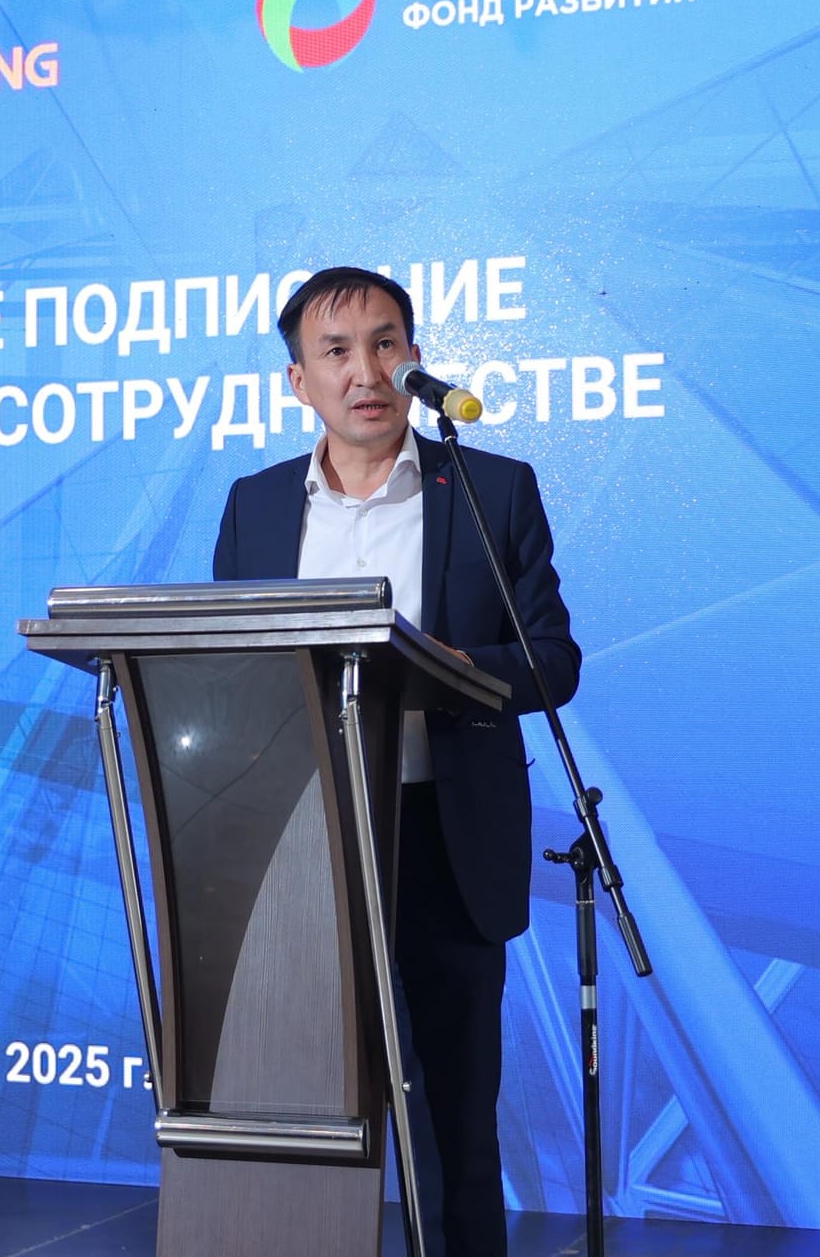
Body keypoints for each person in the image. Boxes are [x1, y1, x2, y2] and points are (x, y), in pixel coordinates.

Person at [211, 266, 581, 1256]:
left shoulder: (492, 489)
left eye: (384, 344)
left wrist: (456, 670)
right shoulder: (254, 506)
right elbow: (227, 667)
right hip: (303, 848)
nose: (364, 371)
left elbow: (553, 659)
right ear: (299, 382)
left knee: (455, 1125)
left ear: (413, 358)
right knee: (298, 1112)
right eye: (335, 351)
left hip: (442, 839)